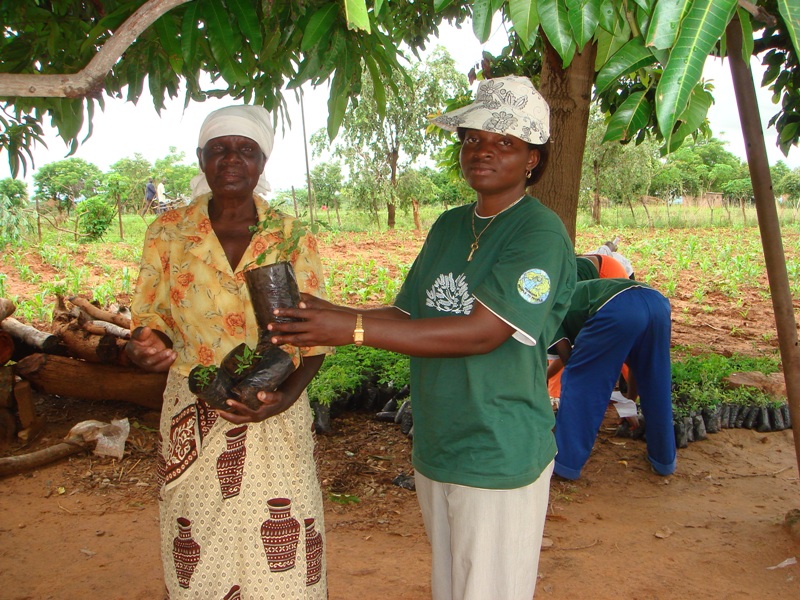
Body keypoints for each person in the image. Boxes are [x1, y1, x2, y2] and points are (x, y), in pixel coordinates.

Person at [268, 76, 576, 600]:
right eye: (473, 138)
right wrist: (327, 315)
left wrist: (354, 329)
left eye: (505, 142)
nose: (483, 151)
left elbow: (484, 332)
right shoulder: (451, 225)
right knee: (452, 585)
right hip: (441, 436)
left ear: (533, 158)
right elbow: (408, 311)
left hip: (497, 441)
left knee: (489, 591)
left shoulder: (538, 232)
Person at [127, 105, 331, 599]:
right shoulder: (169, 232)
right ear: (201, 159)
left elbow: (317, 337)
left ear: (262, 162)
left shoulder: (290, 235)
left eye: (245, 150)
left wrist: (283, 398)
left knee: (282, 563)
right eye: (219, 149)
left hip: (272, 411)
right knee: (198, 550)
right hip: (194, 411)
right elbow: (147, 320)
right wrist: (144, 347)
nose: (231, 159)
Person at [548, 278, 677, 480]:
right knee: (656, 381)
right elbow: (635, 364)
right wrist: (628, 404)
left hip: (616, 307)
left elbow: (572, 363)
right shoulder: (575, 293)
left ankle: (566, 464)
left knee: (582, 385)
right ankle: (664, 460)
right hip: (656, 303)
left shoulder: (549, 310)